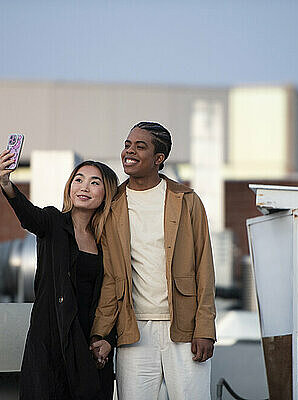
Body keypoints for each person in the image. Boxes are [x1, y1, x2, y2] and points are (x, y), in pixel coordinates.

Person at [90, 122, 217, 400]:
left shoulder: (186, 200)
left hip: (184, 329)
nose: (129, 151)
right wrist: (100, 331)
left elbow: (204, 268)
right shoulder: (113, 205)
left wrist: (205, 327)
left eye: (139, 146)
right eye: (127, 145)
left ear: (159, 159)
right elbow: (112, 277)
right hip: (133, 331)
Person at [0, 150, 118, 400]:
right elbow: (28, 215)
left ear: (106, 193)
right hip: (51, 341)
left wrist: (108, 340)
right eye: (79, 179)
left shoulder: (107, 241)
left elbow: (113, 294)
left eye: (95, 182)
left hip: (89, 342)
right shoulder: (52, 222)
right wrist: (6, 183)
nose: (84, 187)